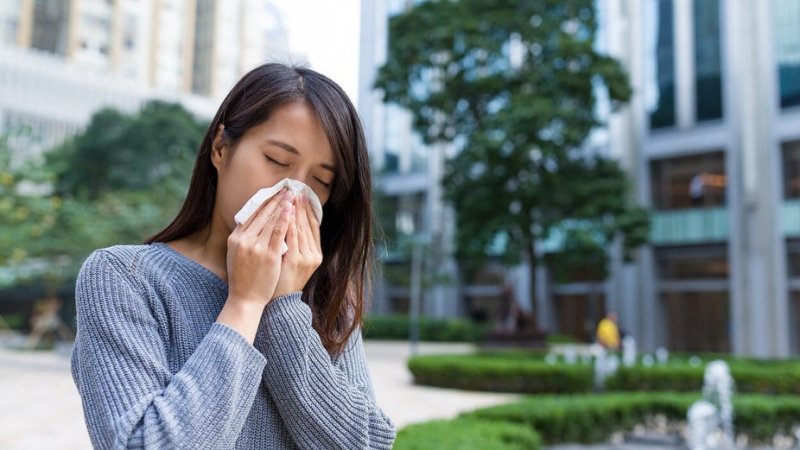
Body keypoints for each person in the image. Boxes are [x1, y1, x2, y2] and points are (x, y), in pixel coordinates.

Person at [70, 63, 397, 449]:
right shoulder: (123, 277)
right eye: (277, 160)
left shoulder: (328, 296)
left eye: (321, 181)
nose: (293, 192)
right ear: (221, 148)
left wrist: (284, 308)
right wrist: (246, 302)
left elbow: (367, 445)